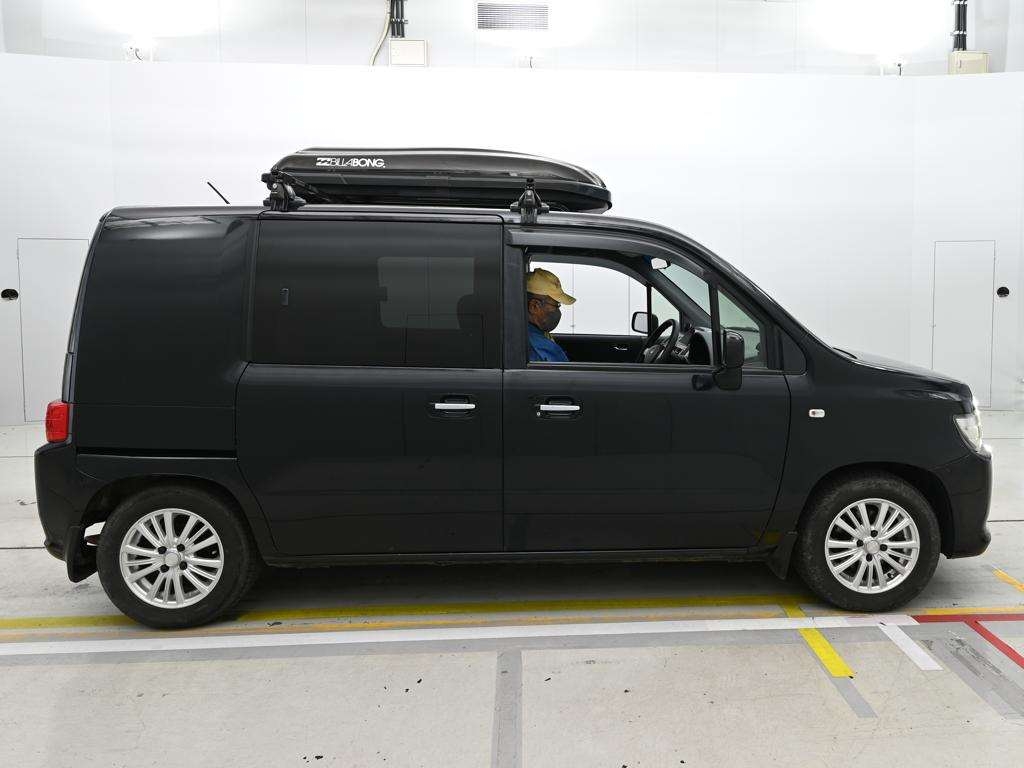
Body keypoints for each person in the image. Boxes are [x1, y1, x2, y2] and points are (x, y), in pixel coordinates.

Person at [526, 268, 575, 362]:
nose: (558, 311)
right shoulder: (541, 348)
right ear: (534, 306)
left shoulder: (531, 334)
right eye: (556, 305)